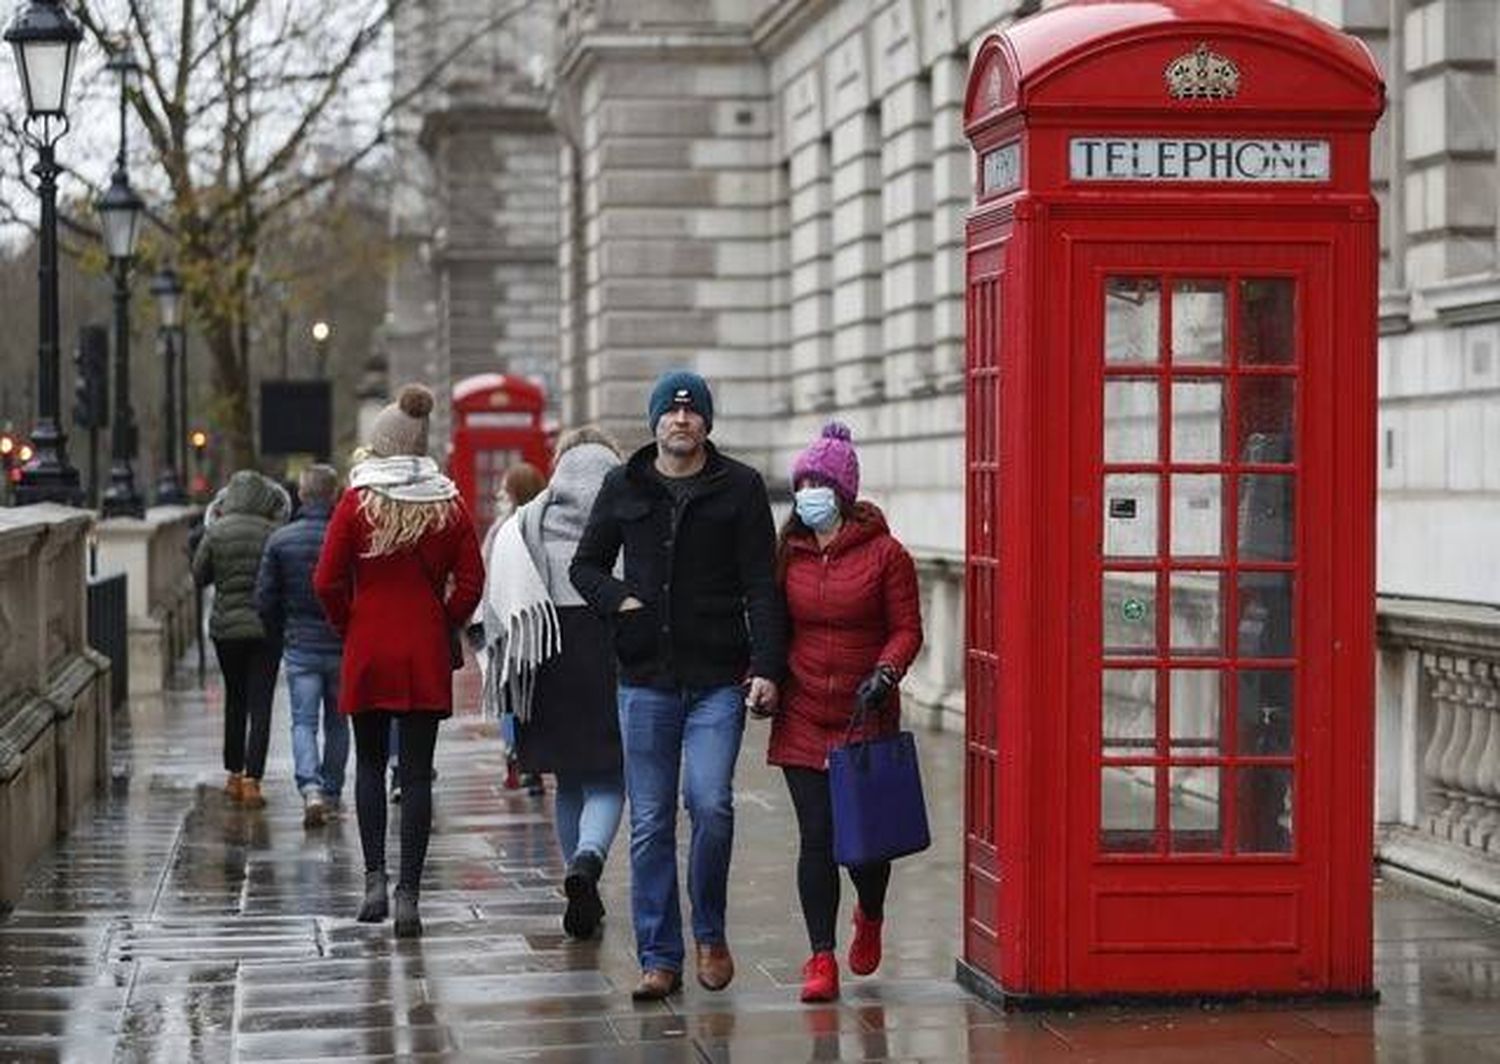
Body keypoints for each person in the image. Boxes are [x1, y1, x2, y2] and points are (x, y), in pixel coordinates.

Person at [571, 369, 785, 1000]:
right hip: (644, 678)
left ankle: (710, 935)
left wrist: (768, 667)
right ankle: (659, 957)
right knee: (650, 823)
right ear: (656, 422)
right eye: (671, 412)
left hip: (718, 677)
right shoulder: (623, 484)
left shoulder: (741, 489)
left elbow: (762, 587)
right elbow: (584, 566)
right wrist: (620, 601)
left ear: (706, 424)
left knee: (712, 804)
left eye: (692, 413)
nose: (681, 421)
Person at [314, 384, 484, 938]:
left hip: (368, 647)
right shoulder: (448, 503)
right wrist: (445, 617)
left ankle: (374, 881)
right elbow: (473, 581)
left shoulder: (356, 502)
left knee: (366, 765)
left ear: (382, 445)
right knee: (414, 775)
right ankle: (410, 894)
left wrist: (349, 624)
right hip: (423, 650)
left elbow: (326, 580)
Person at [767, 422, 923, 1003]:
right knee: (817, 838)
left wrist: (886, 672)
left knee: (867, 846)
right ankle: (820, 958)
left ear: (843, 492)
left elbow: (907, 628)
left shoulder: (887, 555)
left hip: (865, 713)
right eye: (802, 481)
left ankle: (872, 914)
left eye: (819, 482)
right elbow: (771, 626)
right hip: (805, 709)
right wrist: (760, 679)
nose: (808, 491)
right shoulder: (789, 553)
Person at [480, 427, 624, 939]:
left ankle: (575, 874)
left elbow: (495, 605)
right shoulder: (630, 517)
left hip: (545, 656)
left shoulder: (525, 524)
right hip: (609, 652)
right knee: (609, 778)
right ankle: (588, 860)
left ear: (560, 465)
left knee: (569, 779)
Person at [255, 464, 348, 829]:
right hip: (340, 644)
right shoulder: (346, 538)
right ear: (334, 495)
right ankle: (334, 792)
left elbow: (264, 599)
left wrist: (284, 630)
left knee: (303, 722)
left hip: (300, 647)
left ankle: (310, 787)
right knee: (339, 724)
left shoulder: (281, 540)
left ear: (302, 495)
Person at [192, 470, 290, 809]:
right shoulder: (274, 533)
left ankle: (233, 774)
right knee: (261, 704)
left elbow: (199, 575)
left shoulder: (216, 531)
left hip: (227, 630)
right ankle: (253, 780)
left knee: (235, 700)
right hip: (265, 629)